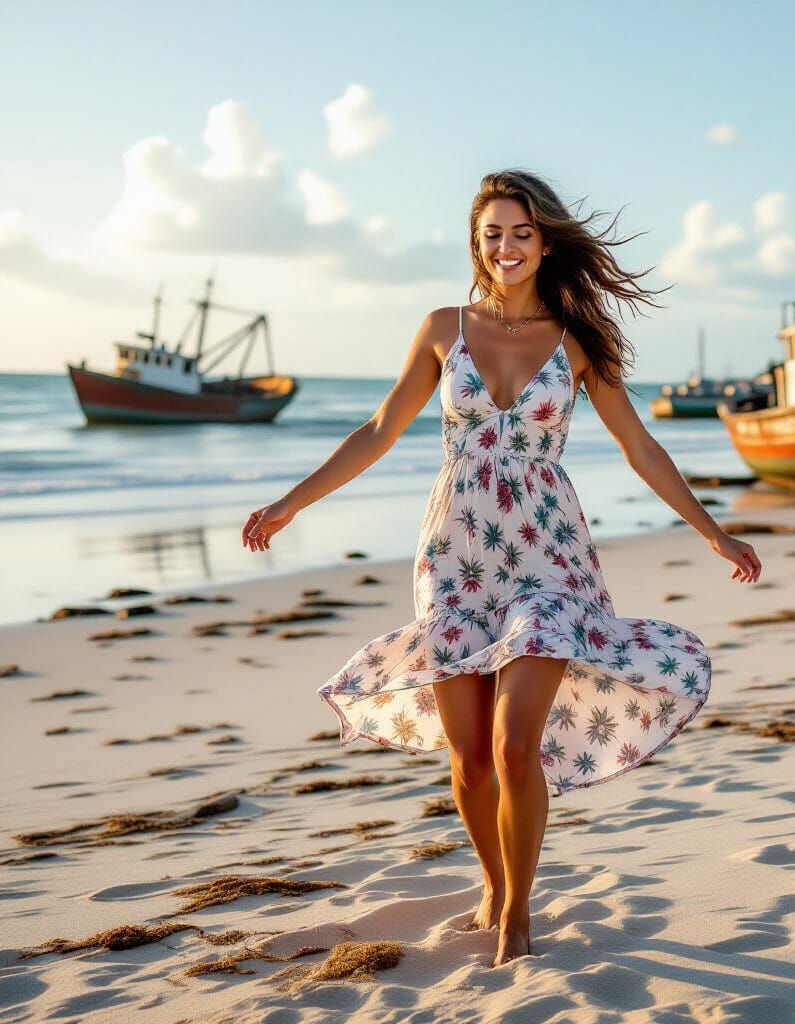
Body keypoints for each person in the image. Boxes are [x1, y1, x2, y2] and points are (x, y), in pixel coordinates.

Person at [241, 169, 762, 967]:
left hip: (550, 555)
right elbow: (380, 429)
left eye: (521, 232)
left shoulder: (575, 338)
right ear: (476, 243)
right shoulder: (442, 327)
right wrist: (290, 504)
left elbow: (641, 446)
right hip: (456, 557)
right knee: (470, 755)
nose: (507, 247)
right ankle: (490, 882)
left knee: (517, 747)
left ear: (545, 240)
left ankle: (517, 913)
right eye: (493, 233)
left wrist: (711, 532)